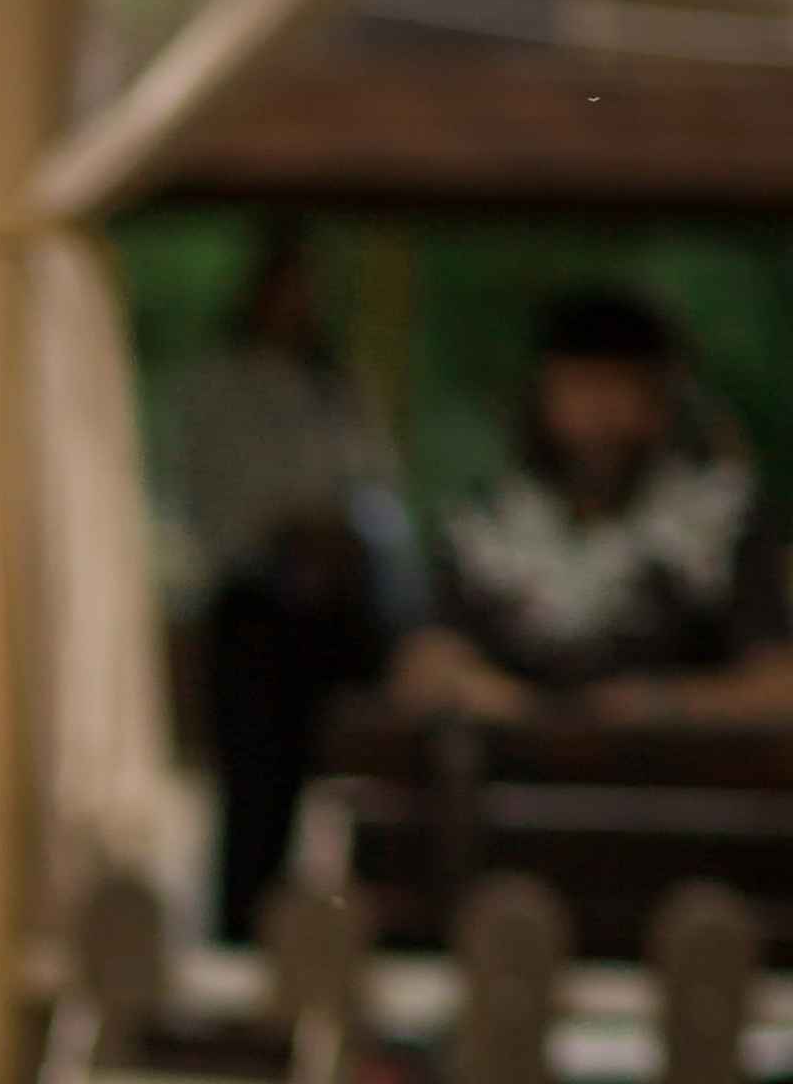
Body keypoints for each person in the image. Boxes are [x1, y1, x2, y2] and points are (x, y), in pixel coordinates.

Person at [394, 285, 793, 729]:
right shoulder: (484, 522)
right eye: (582, 389)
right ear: (542, 399)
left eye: (622, 390)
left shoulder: (722, 522)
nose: (601, 417)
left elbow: (779, 685)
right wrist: (499, 701)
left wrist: (662, 705)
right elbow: (424, 664)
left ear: (662, 403)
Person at [162, 232, 409, 937]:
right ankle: (239, 928)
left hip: (333, 610)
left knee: (347, 782)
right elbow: (210, 509)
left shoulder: (338, 388)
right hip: (255, 610)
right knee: (254, 790)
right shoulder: (219, 387)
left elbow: (373, 487)